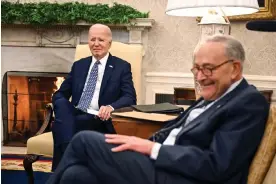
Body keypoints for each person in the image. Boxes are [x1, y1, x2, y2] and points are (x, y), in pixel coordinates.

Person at [47, 35, 269, 184]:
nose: (200, 77)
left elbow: (216, 165)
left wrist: (151, 148)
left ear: (235, 69)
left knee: (84, 140)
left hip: (180, 176)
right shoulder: (217, 93)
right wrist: (147, 145)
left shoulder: (248, 102)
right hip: (163, 165)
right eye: (197, 69)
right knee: (76, 176)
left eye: (208, 69)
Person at [51, 24, 136, 171]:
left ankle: (64, 167)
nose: (96, 44)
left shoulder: (121, 66)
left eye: (101, 40)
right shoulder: (79, 65)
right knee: (62, 106)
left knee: (61, 126)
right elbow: (61, 93)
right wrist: (60, 106)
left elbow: (130, 97)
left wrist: (111, 107)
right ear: (88, 42)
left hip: (98, 118)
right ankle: (69, 166)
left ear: (109, 43)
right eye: (92, 39)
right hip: (75, 113)